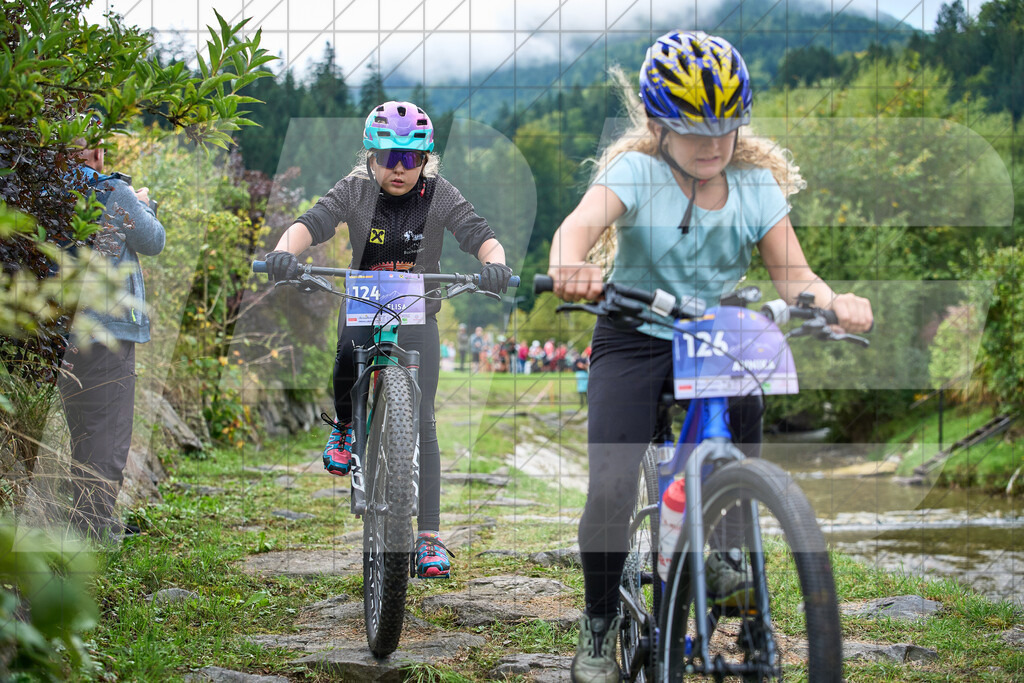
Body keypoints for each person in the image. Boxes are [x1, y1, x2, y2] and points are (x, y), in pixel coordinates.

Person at [546, 31, 873, 681]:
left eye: (726, 125)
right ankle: (599, 620)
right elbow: (575, 231)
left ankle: (730, 565)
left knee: (736, 483)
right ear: (657, 124)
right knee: (611, 484)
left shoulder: (754, 185)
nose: (712, 142)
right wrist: (569, 266)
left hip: (720, 335)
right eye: (693, 127)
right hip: (634, 329)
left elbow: (795, 275)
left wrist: (833, 300)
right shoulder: (635, 171)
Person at [263, 101, 512, 579]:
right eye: (388, 157)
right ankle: (344, 427)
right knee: (345, 354)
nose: (399, 168)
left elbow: (480, 235)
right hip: (362, 303)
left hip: (419, 313)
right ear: (371, 156)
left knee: (424, 423)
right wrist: (281, 253)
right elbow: (310, 224)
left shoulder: (440, 196)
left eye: (411, 159)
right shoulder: (354, 191)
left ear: (426, 160)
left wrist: (493, 264)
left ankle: (430, 537)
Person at [59, 133, 165, 542]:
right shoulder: (112, 189)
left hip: (60, 329)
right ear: (88, 151)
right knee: (109, 433)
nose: (103, 155)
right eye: (96, 145)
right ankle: (94, 532)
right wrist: (142, 203)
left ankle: (83, 523)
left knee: (82, 428)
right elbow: (152, 239)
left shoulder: (44, 189)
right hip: (110, 329)